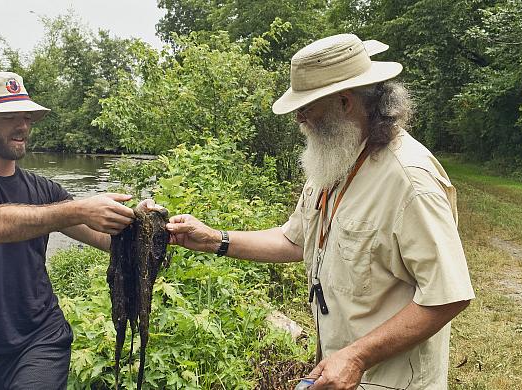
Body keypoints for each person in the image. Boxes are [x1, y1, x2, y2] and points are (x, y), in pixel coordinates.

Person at [165, 34, 475, 390]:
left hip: (392, 382)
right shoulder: (336, 159)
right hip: (340, 374)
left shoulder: (410, 182)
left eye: (307, 105)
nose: (299, 117)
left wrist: (357, 356)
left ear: (345, 103)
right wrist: (212, 240)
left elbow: (448, 296)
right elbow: (293, 239)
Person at [0, 72, 152, 389]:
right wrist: (78, 208)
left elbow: (102, 237)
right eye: (10, 117)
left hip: (42, 338)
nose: (23, 126)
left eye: (27, 117)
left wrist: (139, 227)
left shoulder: (42, 188)